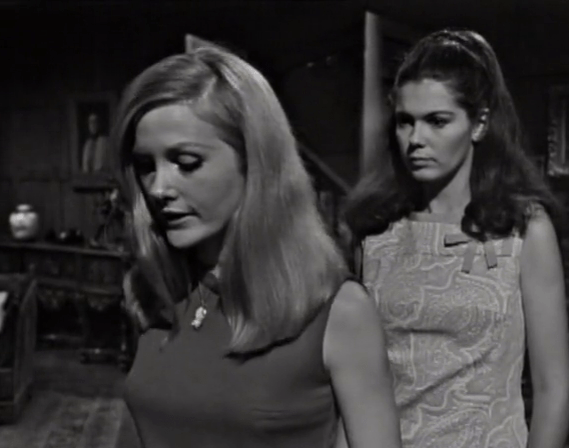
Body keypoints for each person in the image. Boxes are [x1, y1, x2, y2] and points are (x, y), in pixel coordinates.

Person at [112, 46, 401, 448]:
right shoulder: (153, 292)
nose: (159, 188)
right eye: (147, 166)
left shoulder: (336, 311)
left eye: (186, 162)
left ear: (255, 161)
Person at [343, 29, 569, 447]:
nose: (416, 140)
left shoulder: (523, 231)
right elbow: (353, 383)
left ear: (479, 123)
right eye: (405, 122)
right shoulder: (375, 232)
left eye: (437, 121)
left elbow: (553, 388)